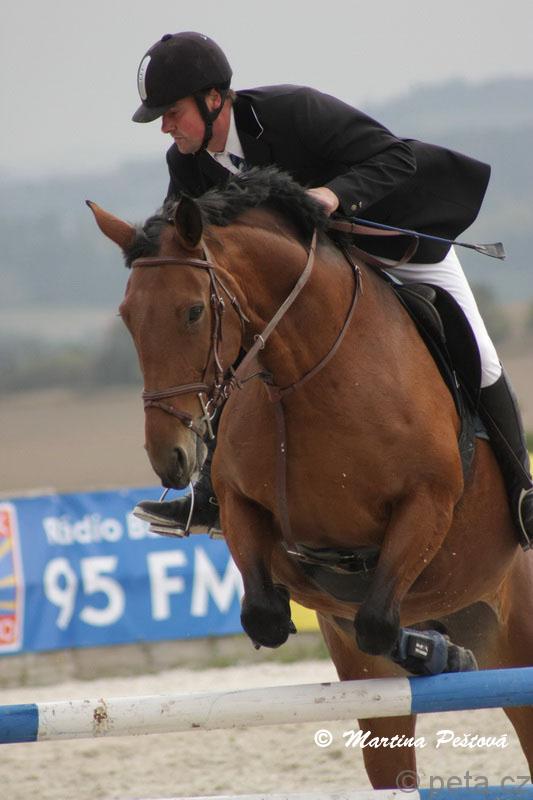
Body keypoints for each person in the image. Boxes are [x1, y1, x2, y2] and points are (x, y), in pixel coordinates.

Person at [131, 31, 533, 548]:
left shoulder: (294, 112)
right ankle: (211, 496)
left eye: (171, 112)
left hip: (393, 247)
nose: (165, 127)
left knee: (480, 355)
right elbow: (179, 241)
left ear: (213, 99)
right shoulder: (185, 164)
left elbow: (396, 158)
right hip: (307, 287)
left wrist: (335, 194)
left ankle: (522, 491)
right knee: (223, 355)